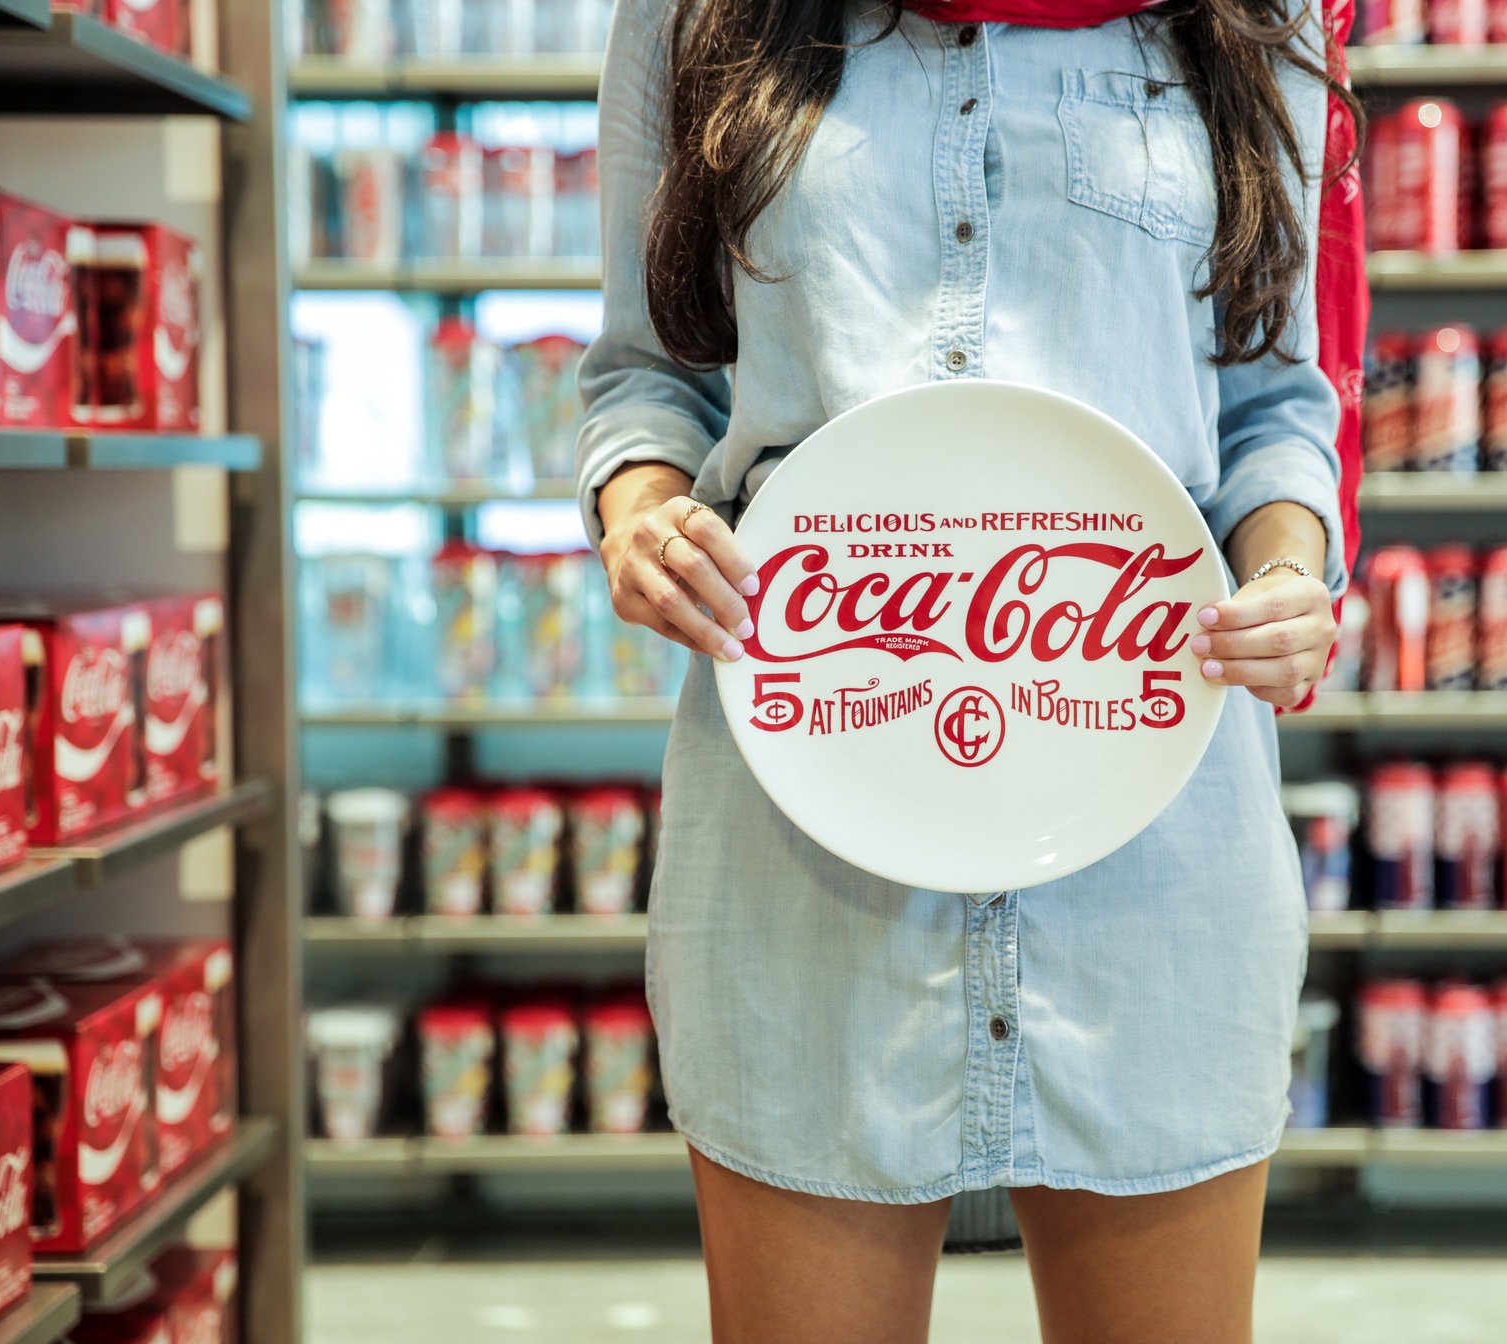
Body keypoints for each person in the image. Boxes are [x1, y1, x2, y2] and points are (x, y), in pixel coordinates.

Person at [576, 2, 1360, 1339]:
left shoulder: (1252, 18)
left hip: (1153, 828)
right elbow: (647, 375)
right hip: (808, 829)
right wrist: (641, 517)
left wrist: (1289, 574)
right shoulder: (695, 12)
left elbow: (1276, 403)